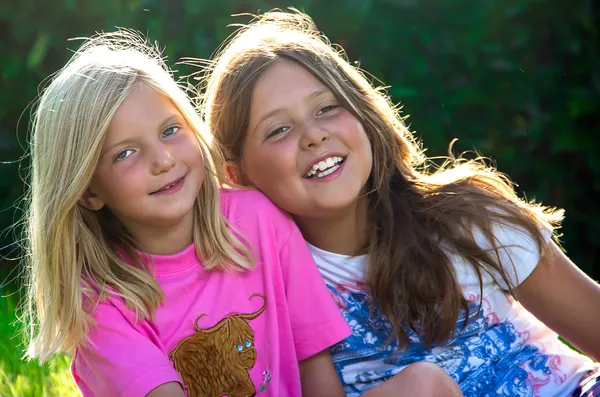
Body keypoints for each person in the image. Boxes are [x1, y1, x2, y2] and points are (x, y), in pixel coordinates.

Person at [203, 9, 600, 397]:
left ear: (361, 113)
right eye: (279, 129)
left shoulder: (469, 218)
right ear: (235, 175)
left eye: (327, 108)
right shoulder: (258, 288)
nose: (314, 135)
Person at [22, 30, 353, 397]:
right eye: (125, 153)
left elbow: (315, 365)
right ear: (87, 191)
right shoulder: (102, 305)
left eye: (170, 130)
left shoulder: (258, 219)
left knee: (423, 381)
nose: (164, 160)